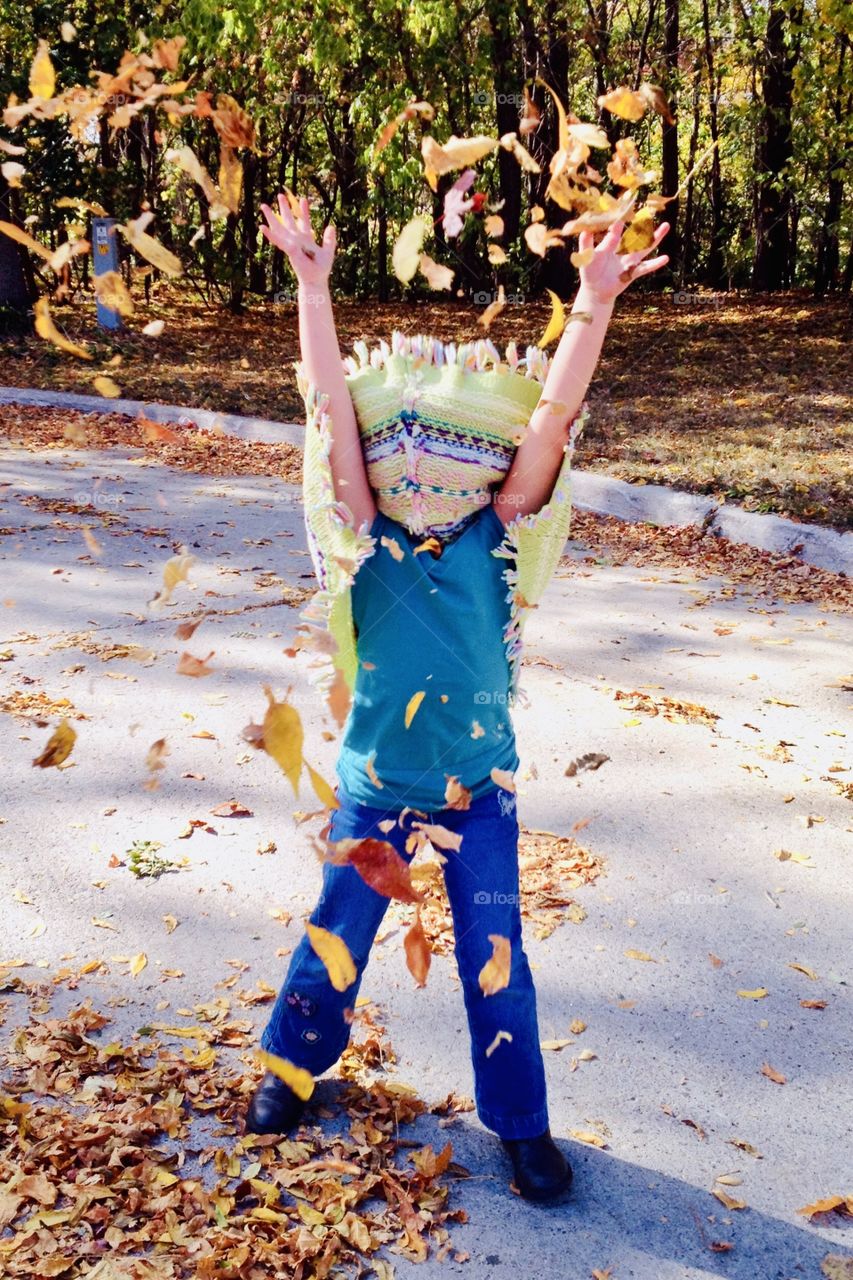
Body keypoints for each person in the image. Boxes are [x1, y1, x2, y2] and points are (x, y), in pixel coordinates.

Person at [247, 191, 669, 1201]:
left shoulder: (500, 530)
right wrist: (313, 287)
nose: (425, 476)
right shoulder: (364, 532)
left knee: (495, 955)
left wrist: (592, 305)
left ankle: (520, 1124)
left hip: (477, 791)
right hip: (372, 789)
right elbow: (330, 412)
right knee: (332, 941)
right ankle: (290, 1068)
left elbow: (554, 416)